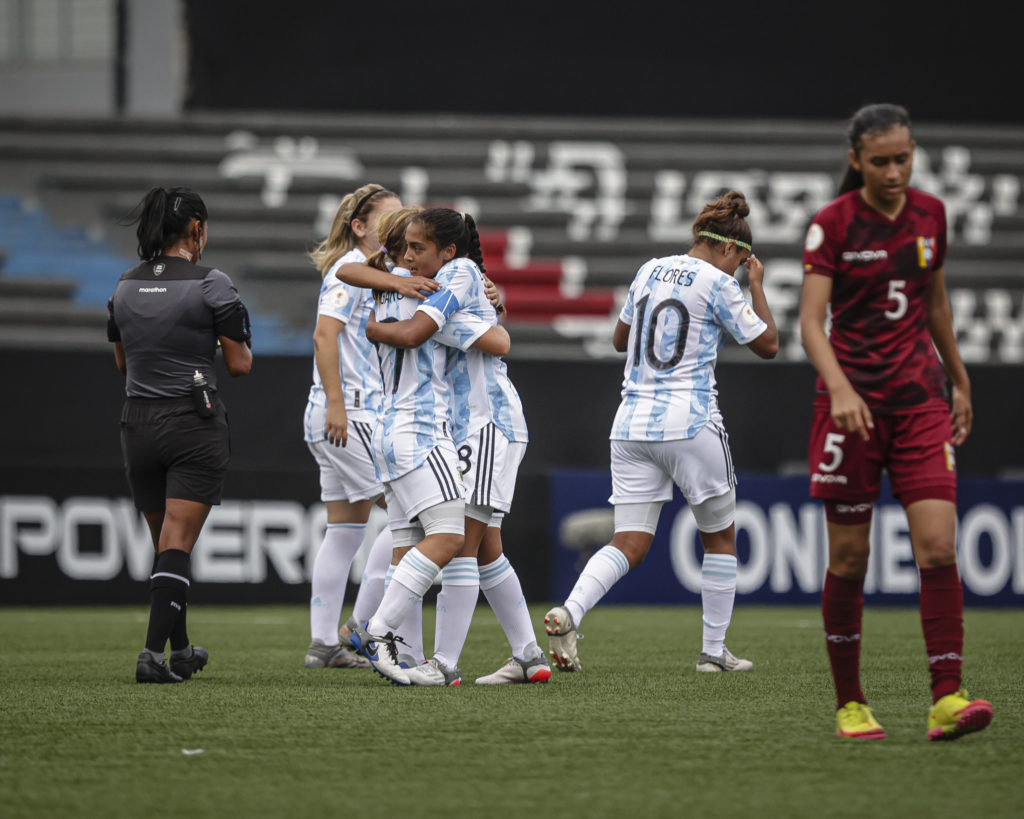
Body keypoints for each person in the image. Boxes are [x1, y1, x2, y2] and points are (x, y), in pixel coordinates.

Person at [799, 103, 993, 741]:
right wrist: (840, 388)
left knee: (938, 546)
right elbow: (810, 323)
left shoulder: (931, 214)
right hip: (849, 413)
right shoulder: (832, 225)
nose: (894, 171)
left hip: (919, 403)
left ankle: (947, 697)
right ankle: (850, 703)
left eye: (903, 158)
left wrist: (957, 375)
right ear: (856, 160)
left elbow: (934, 298)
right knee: (850, 561)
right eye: (880, 161)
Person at [544, 191, 778, 674]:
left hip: (630, 424)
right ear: (732, 250)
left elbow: (618, 340)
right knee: (719, 540)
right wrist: (755, 285)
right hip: (690, 422)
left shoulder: (649, 269)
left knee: (628, 542)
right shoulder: (721, 281)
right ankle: (713, 653)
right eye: (740, 261)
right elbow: (768, 345)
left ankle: (570, 611)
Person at [364, 208, 550, 686]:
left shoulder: (456, 276)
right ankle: (528, 655)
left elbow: (497, 341)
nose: (408, 256)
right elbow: (488, 331)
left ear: (444, 250)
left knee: (461, 546)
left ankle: (443, 663)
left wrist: (381, 327)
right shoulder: (419, 285)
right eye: (402, 248)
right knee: (485, 548)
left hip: (487, 423)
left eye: (416, 247)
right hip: (464, 425)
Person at [108, 186, 253, 683]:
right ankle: (151, 655)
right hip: (192, 422)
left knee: (167, 544)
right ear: (196, 230)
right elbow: (239, 364)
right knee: (178, 542)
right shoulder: (213, 283)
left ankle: (184, 650)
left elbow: (122, 360)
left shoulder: (125, 284)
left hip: (137, 424)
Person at [301, 183, 439, 670]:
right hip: (351, 411)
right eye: (388, 218)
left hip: (338, 412)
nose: (399, 224)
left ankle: (324, 643)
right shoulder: (350, 271)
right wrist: (338, 403)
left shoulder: (378, 271)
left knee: (344, 531)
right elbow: (324, 335)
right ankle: (361, 628)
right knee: (412, 515)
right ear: (359, 227)